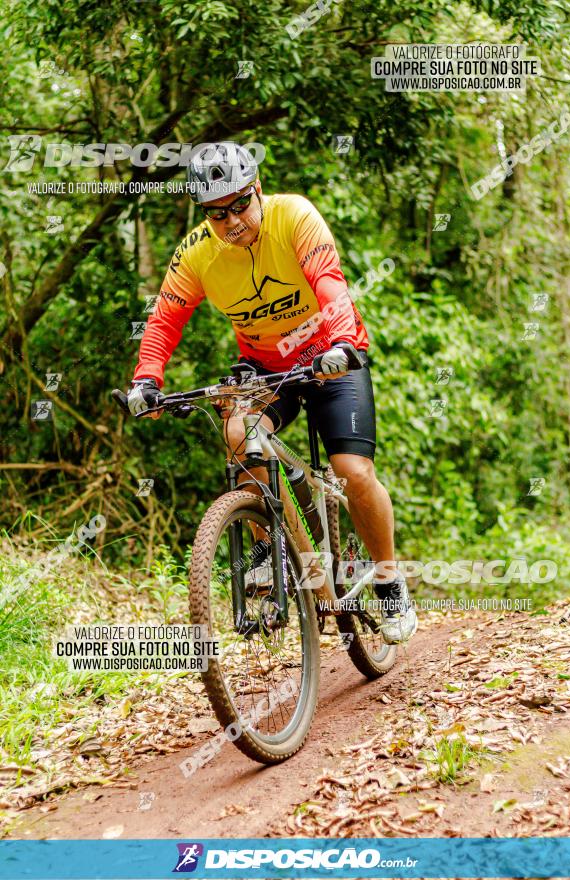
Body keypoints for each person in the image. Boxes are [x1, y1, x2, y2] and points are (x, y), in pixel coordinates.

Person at [127, 142, 417, 643]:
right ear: (204, 214)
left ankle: (390, 582)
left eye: (241, 203)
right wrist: (147, 379)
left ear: (257, 190)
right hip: (264, 368)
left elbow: (329, 283)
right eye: (218, 213)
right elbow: (165, 318)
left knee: (352, 471)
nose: (232, 220)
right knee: (239, 431)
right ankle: (272, 547)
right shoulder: (197, 252)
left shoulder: (294, 216)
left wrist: (345, 342)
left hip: (330, 357)